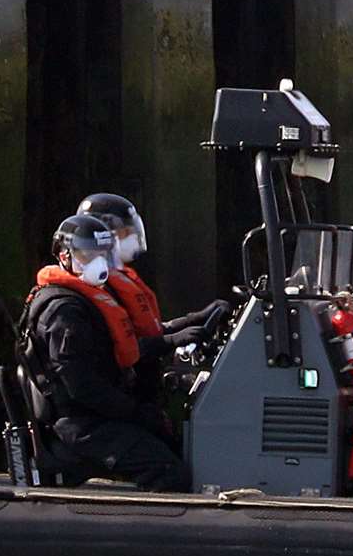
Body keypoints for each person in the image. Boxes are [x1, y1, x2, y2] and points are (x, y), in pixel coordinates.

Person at [16, 213, 194, 493]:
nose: (98, 262)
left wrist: (176, 335)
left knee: (180, 445)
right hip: (82, 424)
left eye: (103, 254)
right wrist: (136, 413)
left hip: (98, 414)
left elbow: (114, 352)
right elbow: (82, 386)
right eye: (88, 255)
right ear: (64, 256)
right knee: (170, 473)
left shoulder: (87, 299)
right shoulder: (65, 312)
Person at [76, 192, 230, 396]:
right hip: (123, 395)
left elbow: (145, 330)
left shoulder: (118, 280)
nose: (131, 237)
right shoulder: (94, 288)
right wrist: (171, 341)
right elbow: (116, 349)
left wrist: (193, 320)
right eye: (124, 232)